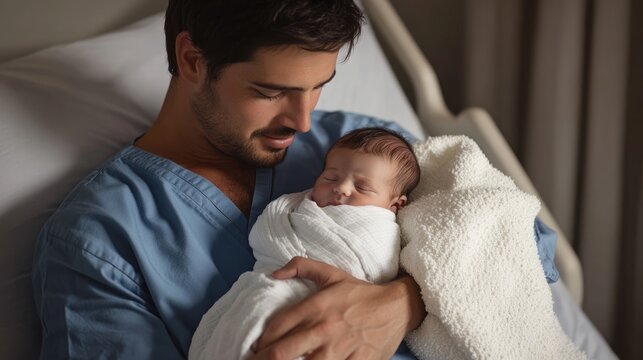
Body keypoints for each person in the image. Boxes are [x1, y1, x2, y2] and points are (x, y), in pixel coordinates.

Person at [31, 1, 559, 359]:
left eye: (318, 88)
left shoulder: (369, 149)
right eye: (270, 91)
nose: (303, 122)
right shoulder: (100, 240)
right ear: (192, 59)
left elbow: (522, 248)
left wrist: (402, 303)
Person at [189, 127, 421, 359]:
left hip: (328, 308)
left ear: (396, 205)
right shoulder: (297, 207)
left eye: (362, 187)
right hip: (271, 286)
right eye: (331, 177)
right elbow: (268, 231)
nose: (341, 188)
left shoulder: (380, 229)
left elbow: (377, 266)